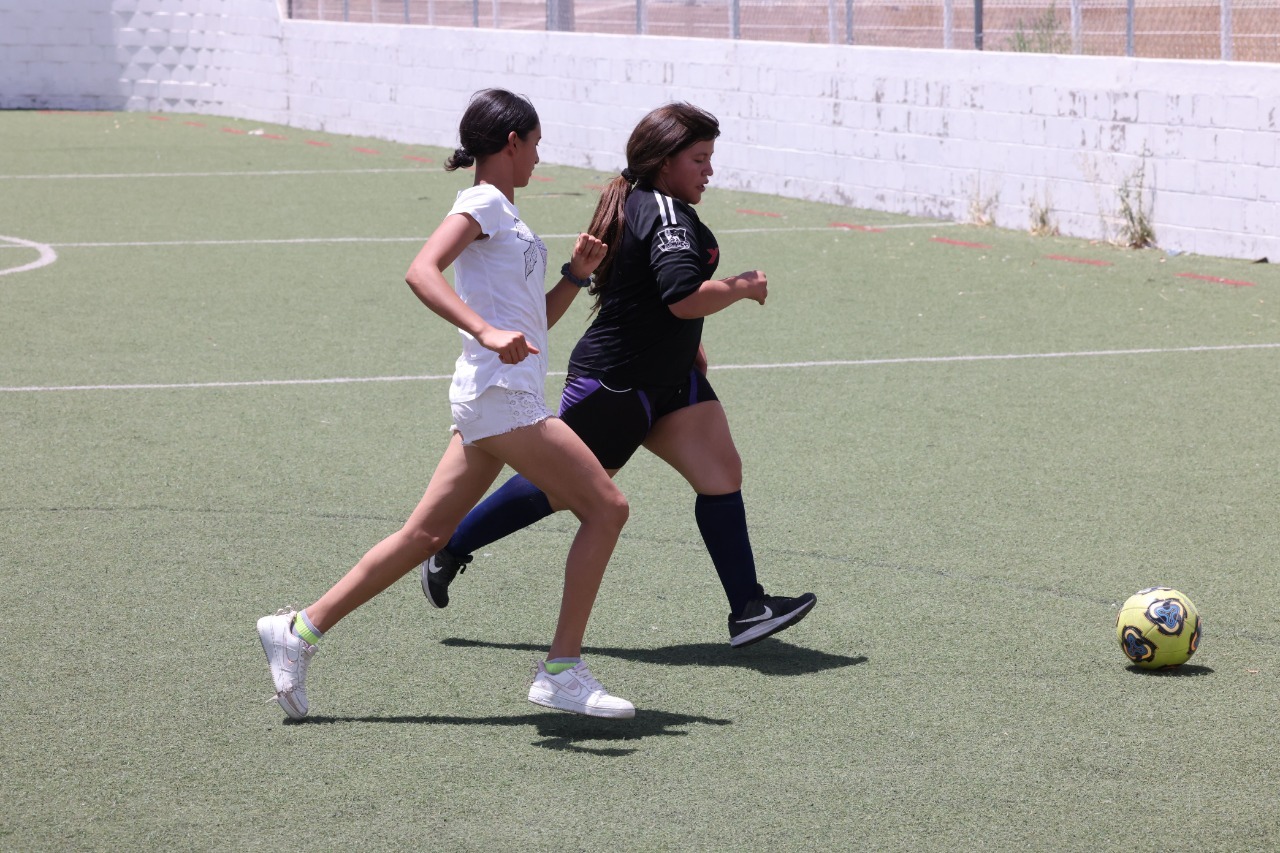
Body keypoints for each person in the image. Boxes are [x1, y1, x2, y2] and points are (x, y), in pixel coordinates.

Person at [257, 89, 635, 720]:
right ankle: (561, 670)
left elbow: (529, 328)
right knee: (607, 507)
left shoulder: (505, 213)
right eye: (535, 145)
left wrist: (574, 276)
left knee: (427, 535)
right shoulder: (483, 202)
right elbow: (422, 270)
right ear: (511, 143)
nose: (538, 158)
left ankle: (298, 630)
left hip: (493, 397)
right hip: (501, 397)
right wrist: (483, 331)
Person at [421, 102, 817, 648]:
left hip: (668, 376)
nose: (709, 170)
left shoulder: (647, 200)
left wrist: (689, 346)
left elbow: (647, 294)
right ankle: (451, 547)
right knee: (560, 488)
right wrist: (742, 286)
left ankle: (748, 608)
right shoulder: (664, 211)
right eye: (699, 159)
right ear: (665, 161)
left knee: (722, 473)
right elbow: (681, 297)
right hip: (617, 383)